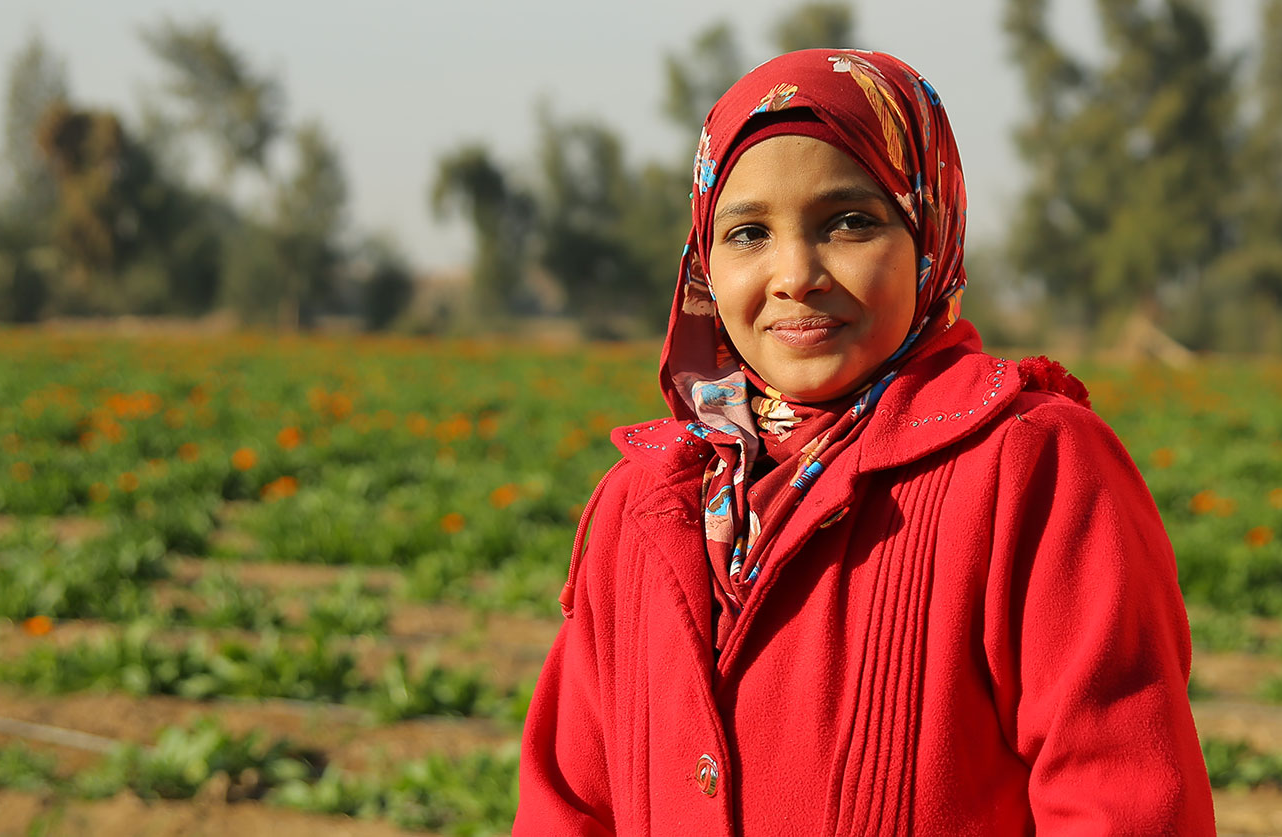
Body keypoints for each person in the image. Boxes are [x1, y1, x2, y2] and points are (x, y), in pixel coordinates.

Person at [515, 49, 1215, 835]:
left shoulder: (1030, 464)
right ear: (702, 262)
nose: (794, 274)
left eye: (848, 222)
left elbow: (1119, 797)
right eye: (747, 232)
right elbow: (569, 804)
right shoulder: (644, 501)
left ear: (929, 230)